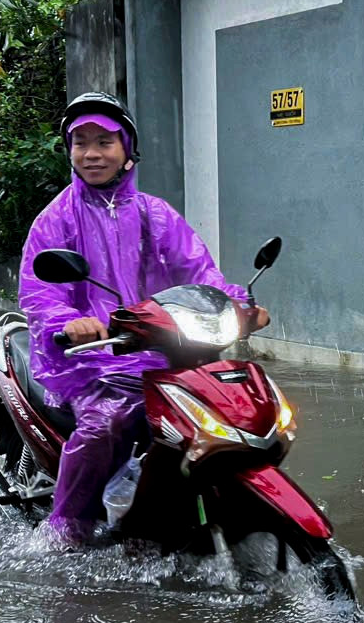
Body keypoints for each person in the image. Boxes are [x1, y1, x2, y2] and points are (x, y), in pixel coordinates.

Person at [19, 92, 270, 543]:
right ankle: (68, 530)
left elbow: (200, 272)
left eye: (104, 142)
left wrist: (238, 306)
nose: (92, 154)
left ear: (127, 149)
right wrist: (67, 322)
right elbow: (39, 294)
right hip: (93, 359)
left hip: (166, 352)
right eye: (81, 142)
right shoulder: (56, 219)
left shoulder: (158, 215)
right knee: (103, 426)